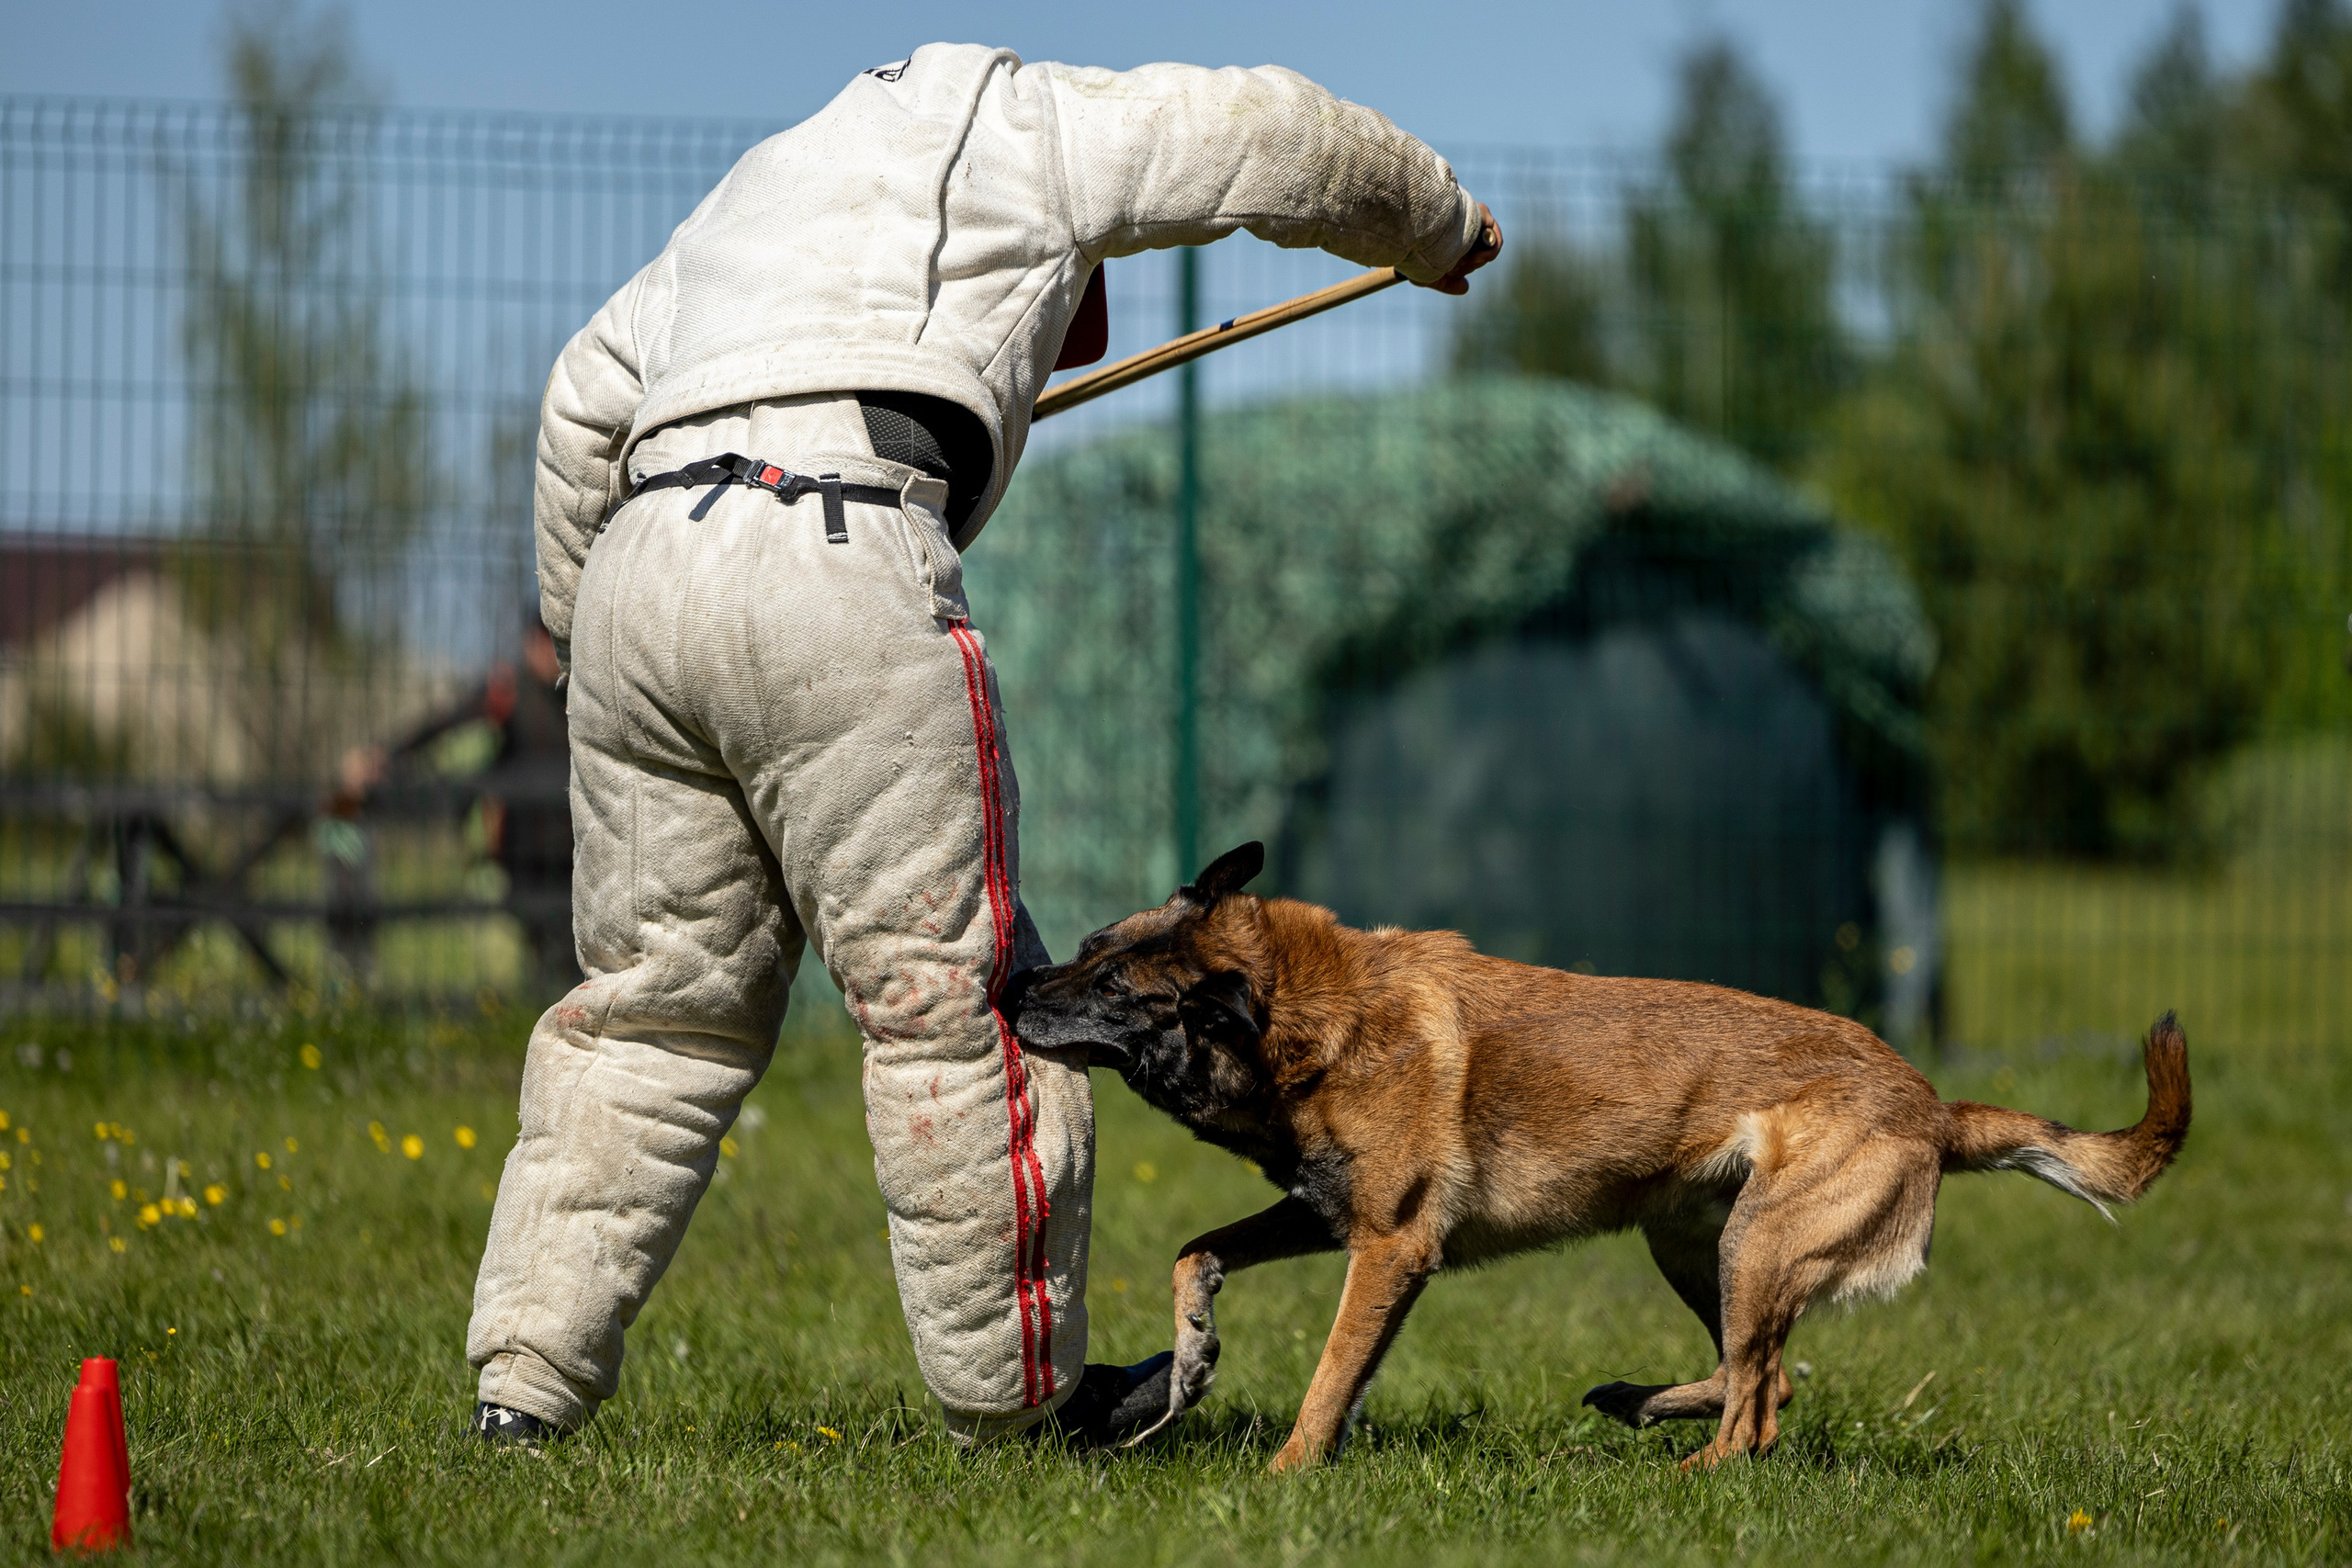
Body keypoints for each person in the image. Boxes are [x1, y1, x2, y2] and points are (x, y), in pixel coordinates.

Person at [466, 41, 1500, 1450]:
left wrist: (598, 646)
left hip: (642, 562)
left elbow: (582, 404)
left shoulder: (755, 192)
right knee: (963, 1010)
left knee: (650, 1016)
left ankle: (520, 1388)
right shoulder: (1024, 117)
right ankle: (1021, 1411)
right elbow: (1274, 131)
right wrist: (1432, 222)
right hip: (836, 543)